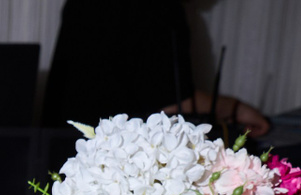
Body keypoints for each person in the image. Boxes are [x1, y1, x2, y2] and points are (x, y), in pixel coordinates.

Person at [41, 0, 268, 138]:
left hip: (59, 150)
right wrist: (236, 109)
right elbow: (172, 104)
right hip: (119, 161)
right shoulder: (158, 9)